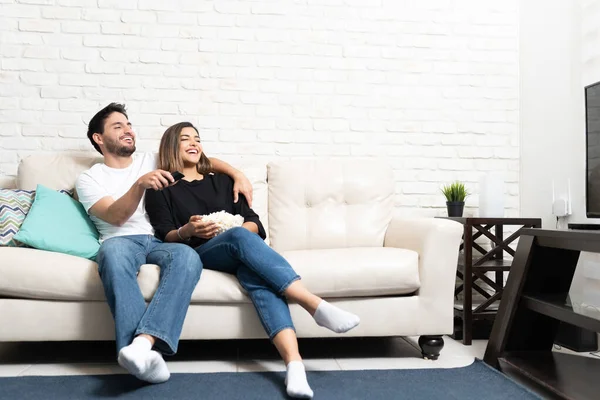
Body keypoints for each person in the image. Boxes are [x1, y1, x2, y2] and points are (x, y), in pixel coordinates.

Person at [144, 122, 361, 399]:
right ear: (170, 146)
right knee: (237, 238)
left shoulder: (222, 181)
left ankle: (295, 367)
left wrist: (236, 231)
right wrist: (189, 230)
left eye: (197, 139)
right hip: (201, 253)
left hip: (239, 247)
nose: (194, 143)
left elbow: (254, 222)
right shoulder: (161, 188)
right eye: (185, 139)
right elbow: (166, 235)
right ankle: (313, 304)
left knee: (258, 277)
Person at [75, 103, 254, 384]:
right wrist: (139, 185)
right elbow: (115, 216)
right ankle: (142, 356)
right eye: (117, 126)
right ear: (99, 138)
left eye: (129, 124)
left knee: (187, 257)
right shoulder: (89, 178)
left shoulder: (152, 159)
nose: (128, 130)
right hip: (120, 240)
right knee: (111, 255)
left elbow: (199, 158)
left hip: (161, 240)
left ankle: (141, 347)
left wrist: (238, 174)